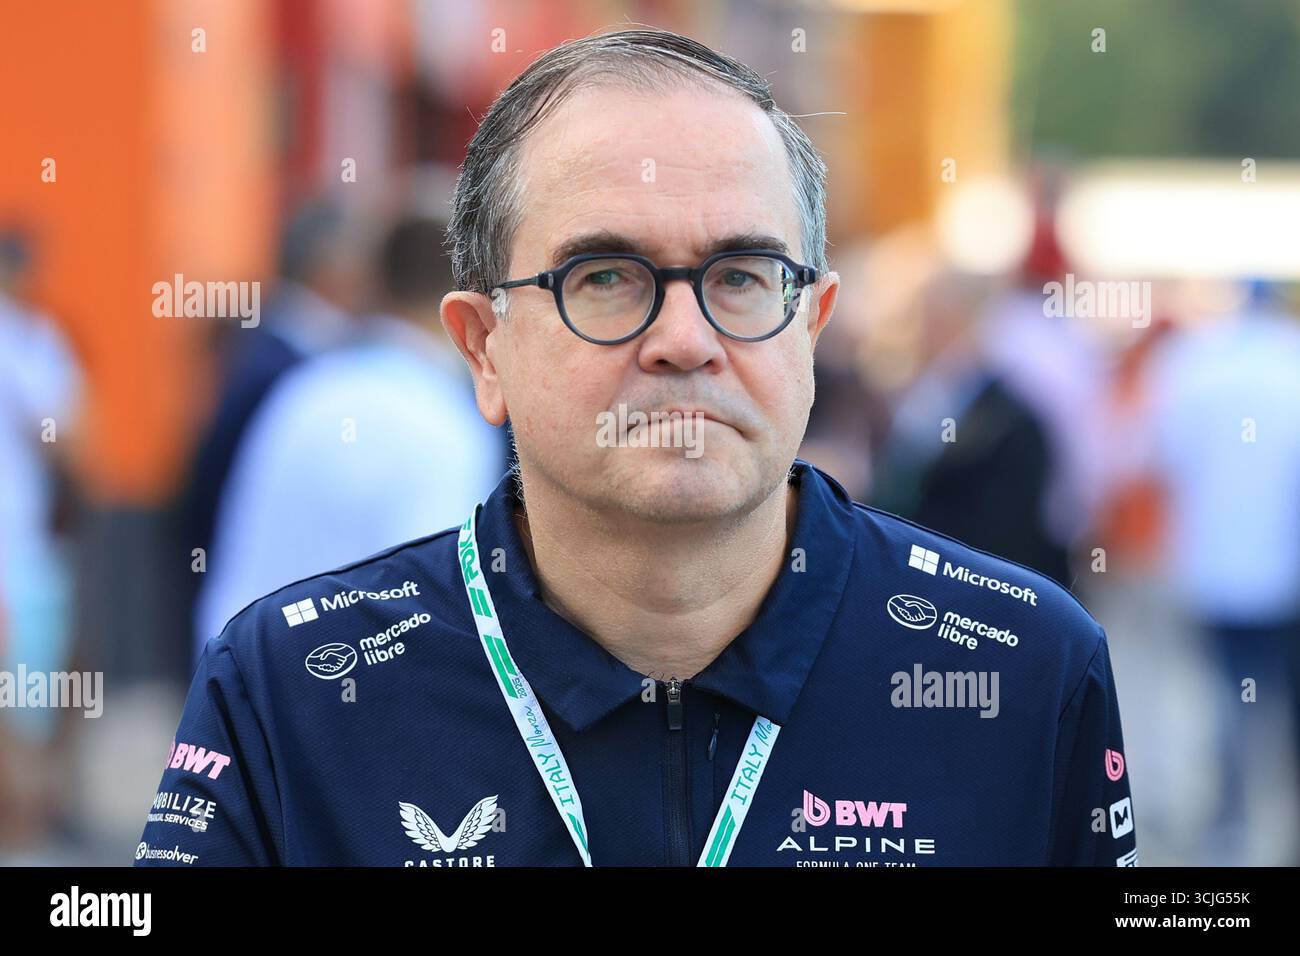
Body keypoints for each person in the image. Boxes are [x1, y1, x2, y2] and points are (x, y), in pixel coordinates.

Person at [136, 28, 1136, 867]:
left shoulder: (1026, 667)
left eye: (741, 274)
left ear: (813, 324)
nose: (685, 338)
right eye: (607, 276)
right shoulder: (291, 685)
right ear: (484, 347)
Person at [192, 214, 503, 656]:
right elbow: (434, 615)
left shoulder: (303, 391)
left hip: (239, 684)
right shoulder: (440, 424)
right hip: (335, 700)